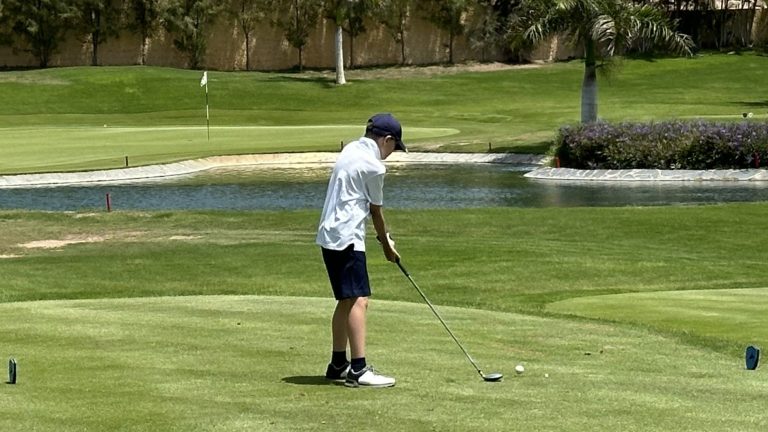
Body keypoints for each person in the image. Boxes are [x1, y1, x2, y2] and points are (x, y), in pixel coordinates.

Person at [316, 113, 407, 388]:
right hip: (346, 238)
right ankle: (358, 369)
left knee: (346, 300)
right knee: (359, 300)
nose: (392, 153)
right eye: (394, 147)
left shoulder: (351, 148)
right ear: (387, 140)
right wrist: (387, 247)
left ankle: (338, 363)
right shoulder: (375, 167)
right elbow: (375, 212)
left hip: (329, 235)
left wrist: (384, 240)